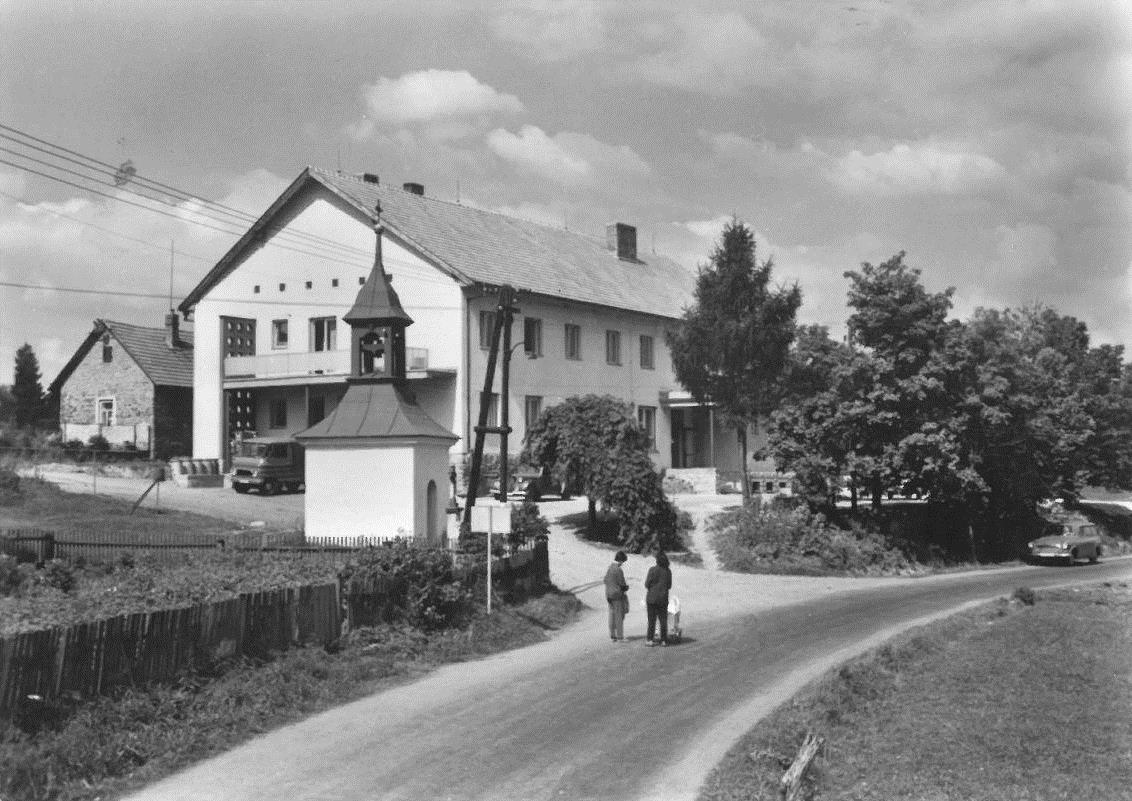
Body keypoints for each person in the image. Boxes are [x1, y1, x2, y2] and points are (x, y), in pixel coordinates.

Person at [644, 551, 672, 646]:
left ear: (657, 561)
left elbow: (647, 584)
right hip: (663, 598)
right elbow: (669, 586)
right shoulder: (668, 571)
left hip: (651, 598)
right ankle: (664, 640)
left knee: (651, 620)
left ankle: (649, 639)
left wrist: (652, 588)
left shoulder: (652, 570)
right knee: (663, 620)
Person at [604, 550, 630, 642]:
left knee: (611, 615)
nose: (623, 564)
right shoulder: (618, 570)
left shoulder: (610, 568)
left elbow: (605, 580)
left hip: (609, 595)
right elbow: (622, 584)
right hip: (617, 595)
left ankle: (612, 635)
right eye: (623, 562)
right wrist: (626, 587)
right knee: (619, 615)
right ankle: (620, 637)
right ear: (621, 560)